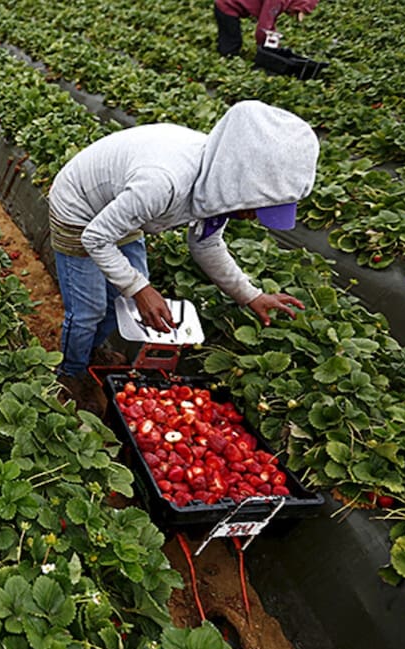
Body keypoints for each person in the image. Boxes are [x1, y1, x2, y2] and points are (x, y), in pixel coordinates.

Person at [48, 100, 319, 413]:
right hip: (80, 210)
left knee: (119, 302)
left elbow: (206, 244)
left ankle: (94, 350)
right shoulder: (163, 182)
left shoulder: (219, 185)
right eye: (258, 206)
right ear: (239, 182)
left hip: (124, 214)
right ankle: (71, 372)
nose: (255, 217)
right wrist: (140, 289)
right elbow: (95, 237)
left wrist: (251, 295)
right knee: (89, 309)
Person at [214, 0, 319, 57]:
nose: (291, 14)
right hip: (227, 5)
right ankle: (226, 61)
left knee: (229, 36)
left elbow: (269, 21)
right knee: (231, 44)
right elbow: (264, 27)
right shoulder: (278, 1)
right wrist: (268, 49)